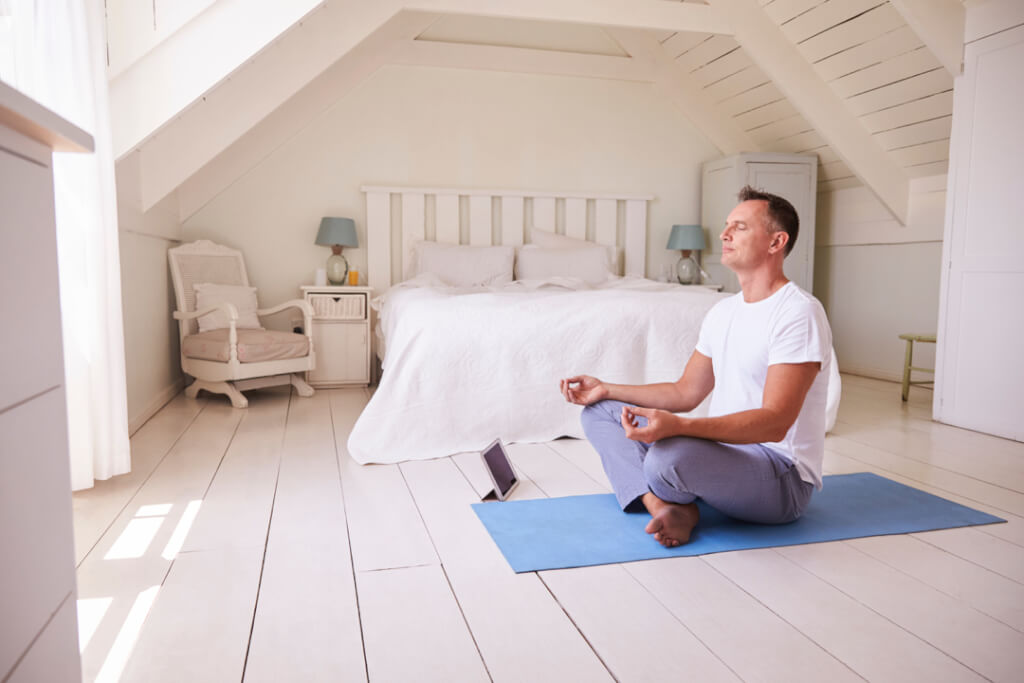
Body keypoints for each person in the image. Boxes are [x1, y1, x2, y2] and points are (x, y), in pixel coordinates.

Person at [559, 186, 832, 548]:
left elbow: (776, 421)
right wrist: (606, 389)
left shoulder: (798, 312)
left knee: (668, 455)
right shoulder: (723, 311)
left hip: (782, 478)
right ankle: (664, 507)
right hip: (727, 457)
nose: (724, 234)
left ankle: (672, 496)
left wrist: (681, 428)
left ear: (775, 242)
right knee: (599, 413)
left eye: (740, 227)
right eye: (726, 226)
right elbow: (684, 392)